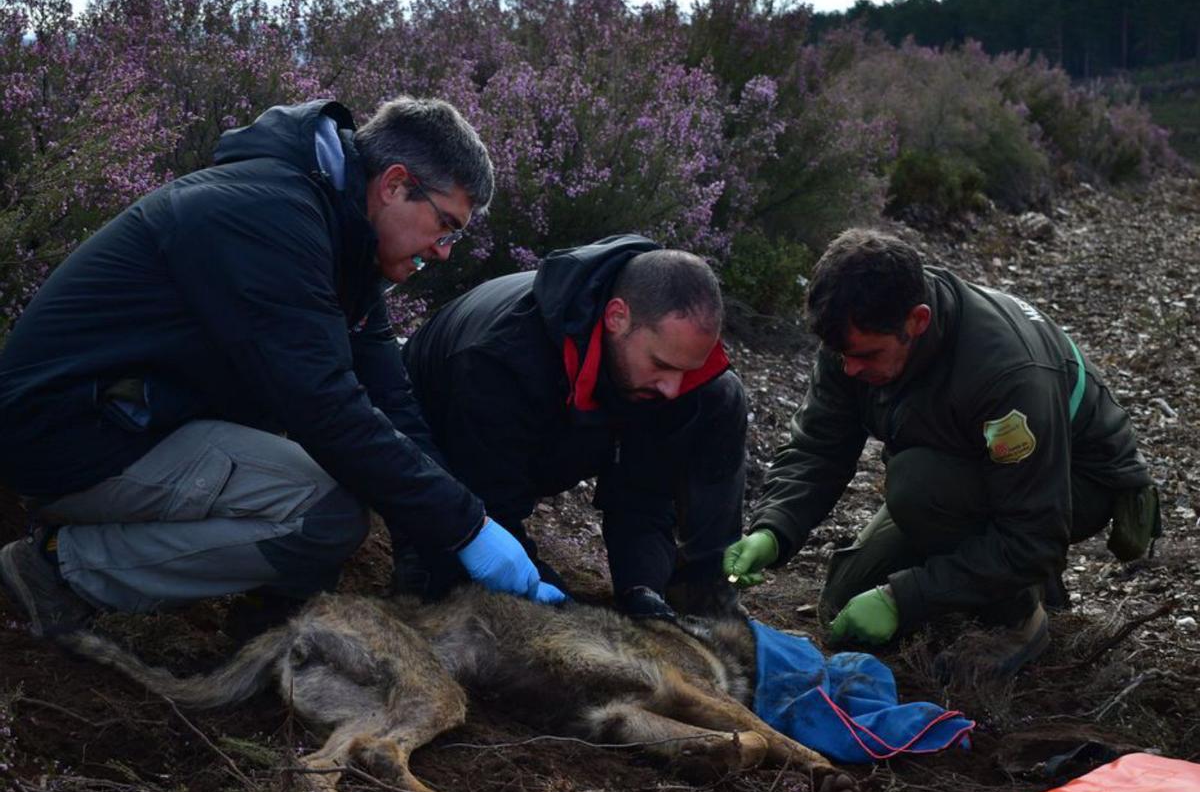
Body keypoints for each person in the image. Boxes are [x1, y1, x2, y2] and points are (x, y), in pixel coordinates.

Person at [0, 96, 564, 637]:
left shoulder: (340, 248)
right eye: (447, 226)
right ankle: (60, 568)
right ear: (395, 185)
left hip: (133, 418)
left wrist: (450, 546)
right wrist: (467, 529)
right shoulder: (270, 218)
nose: (443, 250)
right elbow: (326, 407)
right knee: (327, 515)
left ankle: (271, 612)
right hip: (67, 437)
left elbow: (394, 407)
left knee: (350, 472)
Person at [724, 228, 1158, 677]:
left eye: (867, 356)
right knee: (843, 601)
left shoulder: (1007, 373)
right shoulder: (854, 336)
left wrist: (901, 598)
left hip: (1071, 482)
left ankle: (1019, 617)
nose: (850, 369)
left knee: (916, 487)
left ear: (918, 321)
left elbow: (1037, 535)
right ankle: (990, 574)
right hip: (961, 467)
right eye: (842, 355)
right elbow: (819, 446)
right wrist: (772, 530)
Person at [400, 235, 748, 620]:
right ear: (617, 317)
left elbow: (642, 493)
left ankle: (704, 593)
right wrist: (568, 609)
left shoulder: (653, 365)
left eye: (685, 370)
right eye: (663, 366)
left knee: (718, 392)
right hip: (431, 441)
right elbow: (489, 513)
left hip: (562, 420)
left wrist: (640, 590)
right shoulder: (501, 359)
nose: (672, 387)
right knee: (449, 588)